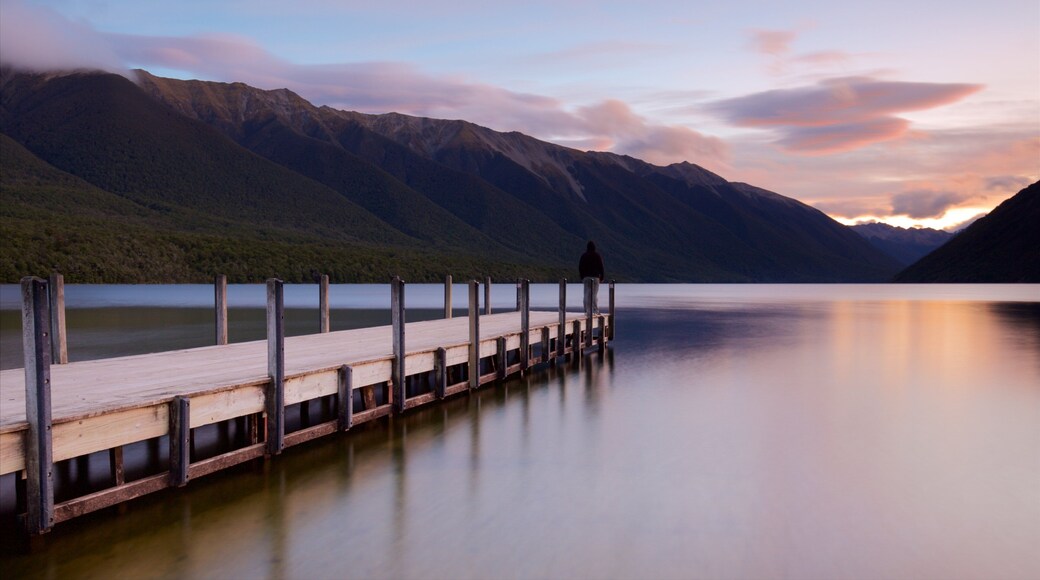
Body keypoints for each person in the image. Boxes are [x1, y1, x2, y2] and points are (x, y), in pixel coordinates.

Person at [578, 241, 605, 314]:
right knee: (594, 294)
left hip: (586, 278)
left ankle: (586, 310)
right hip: (595, 278)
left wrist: (582, 277)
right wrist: (602, 277)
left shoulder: (584, 256)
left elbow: (580, 267)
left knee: (586, 294)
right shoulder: (597, 256)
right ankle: (595, 310)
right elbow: (601, 267)